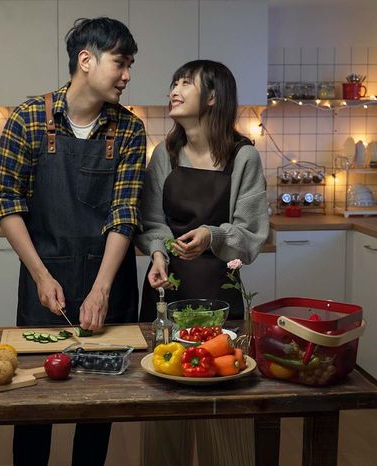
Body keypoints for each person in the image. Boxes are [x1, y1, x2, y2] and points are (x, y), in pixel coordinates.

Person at [0, 17, 145, 466]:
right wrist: (40, 273)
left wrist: (100, 289)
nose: (127, 76)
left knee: (98, 405)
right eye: (120, 63)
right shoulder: (28, 119)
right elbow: (6, 203)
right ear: (86, 60)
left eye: (130, 65)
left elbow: (124, 214)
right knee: (35, 402)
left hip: (108, 281)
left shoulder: (130, 131)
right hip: (44, 282)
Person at [135, 59, 269, 466]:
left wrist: (214, 235)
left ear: (212, 97)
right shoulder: (166, 153)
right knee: (163, 401)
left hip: (219, 292)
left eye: (186, 83)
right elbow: (152, 221)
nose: (174, 89)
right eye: (174, 81)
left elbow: (251, 234)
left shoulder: (243, 157)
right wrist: (159, 251)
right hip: (165, 288)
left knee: (222, 405)